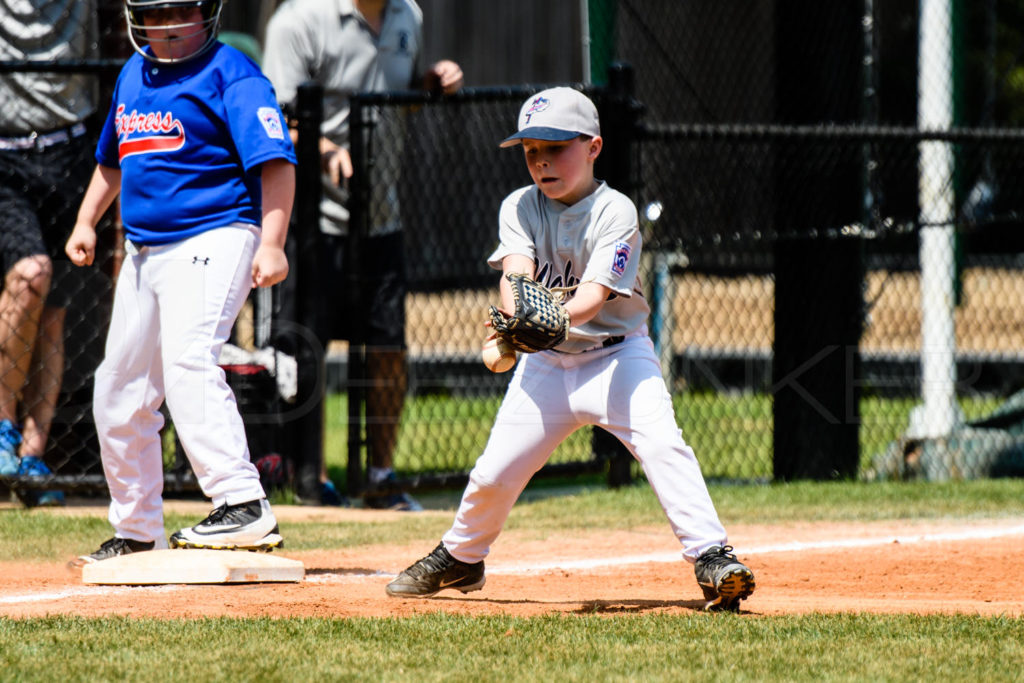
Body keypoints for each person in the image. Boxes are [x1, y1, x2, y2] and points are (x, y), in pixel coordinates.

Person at [386, 88, 757, 611]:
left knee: (663, 446)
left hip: (617, 357)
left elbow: (593, 296)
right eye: (531, 150)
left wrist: (550, 317)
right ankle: (463, 557)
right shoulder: (519, 204)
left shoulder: (616, 210)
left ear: (594, 147)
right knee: (494, 472)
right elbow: (516, 273)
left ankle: (713, 558)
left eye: (556, 147)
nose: (541, 161)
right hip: (547, 367)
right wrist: (518, 317)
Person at [65, 0, 296, 563]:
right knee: (117, 388)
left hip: (218, 234)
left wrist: (272, 242)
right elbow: (113, 160)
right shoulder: (131, 74)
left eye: (179, 11)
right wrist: (85, 221)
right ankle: (138, 528)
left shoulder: (231, 72)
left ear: (206, 13)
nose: (166, 23)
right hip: (146, 251)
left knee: (189, 360)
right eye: (153, 11)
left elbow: (276, 162)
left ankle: (242, 503)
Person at [263, 0, 463, 510]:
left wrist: (426, 85)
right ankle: (308, 477)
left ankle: (379, 478)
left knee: (388, 349)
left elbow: (397, 97)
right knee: (306, 348)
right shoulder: (298, 22)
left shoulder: (408, 16)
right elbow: (270, 121)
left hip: (380, 216)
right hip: (308, 220)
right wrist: (327, 148)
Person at [0, 0, 101, 507]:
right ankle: (2, 428)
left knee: (55, 317)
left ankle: (33, 459)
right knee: (29, 277)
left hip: (70, 150)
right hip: (5, 152)